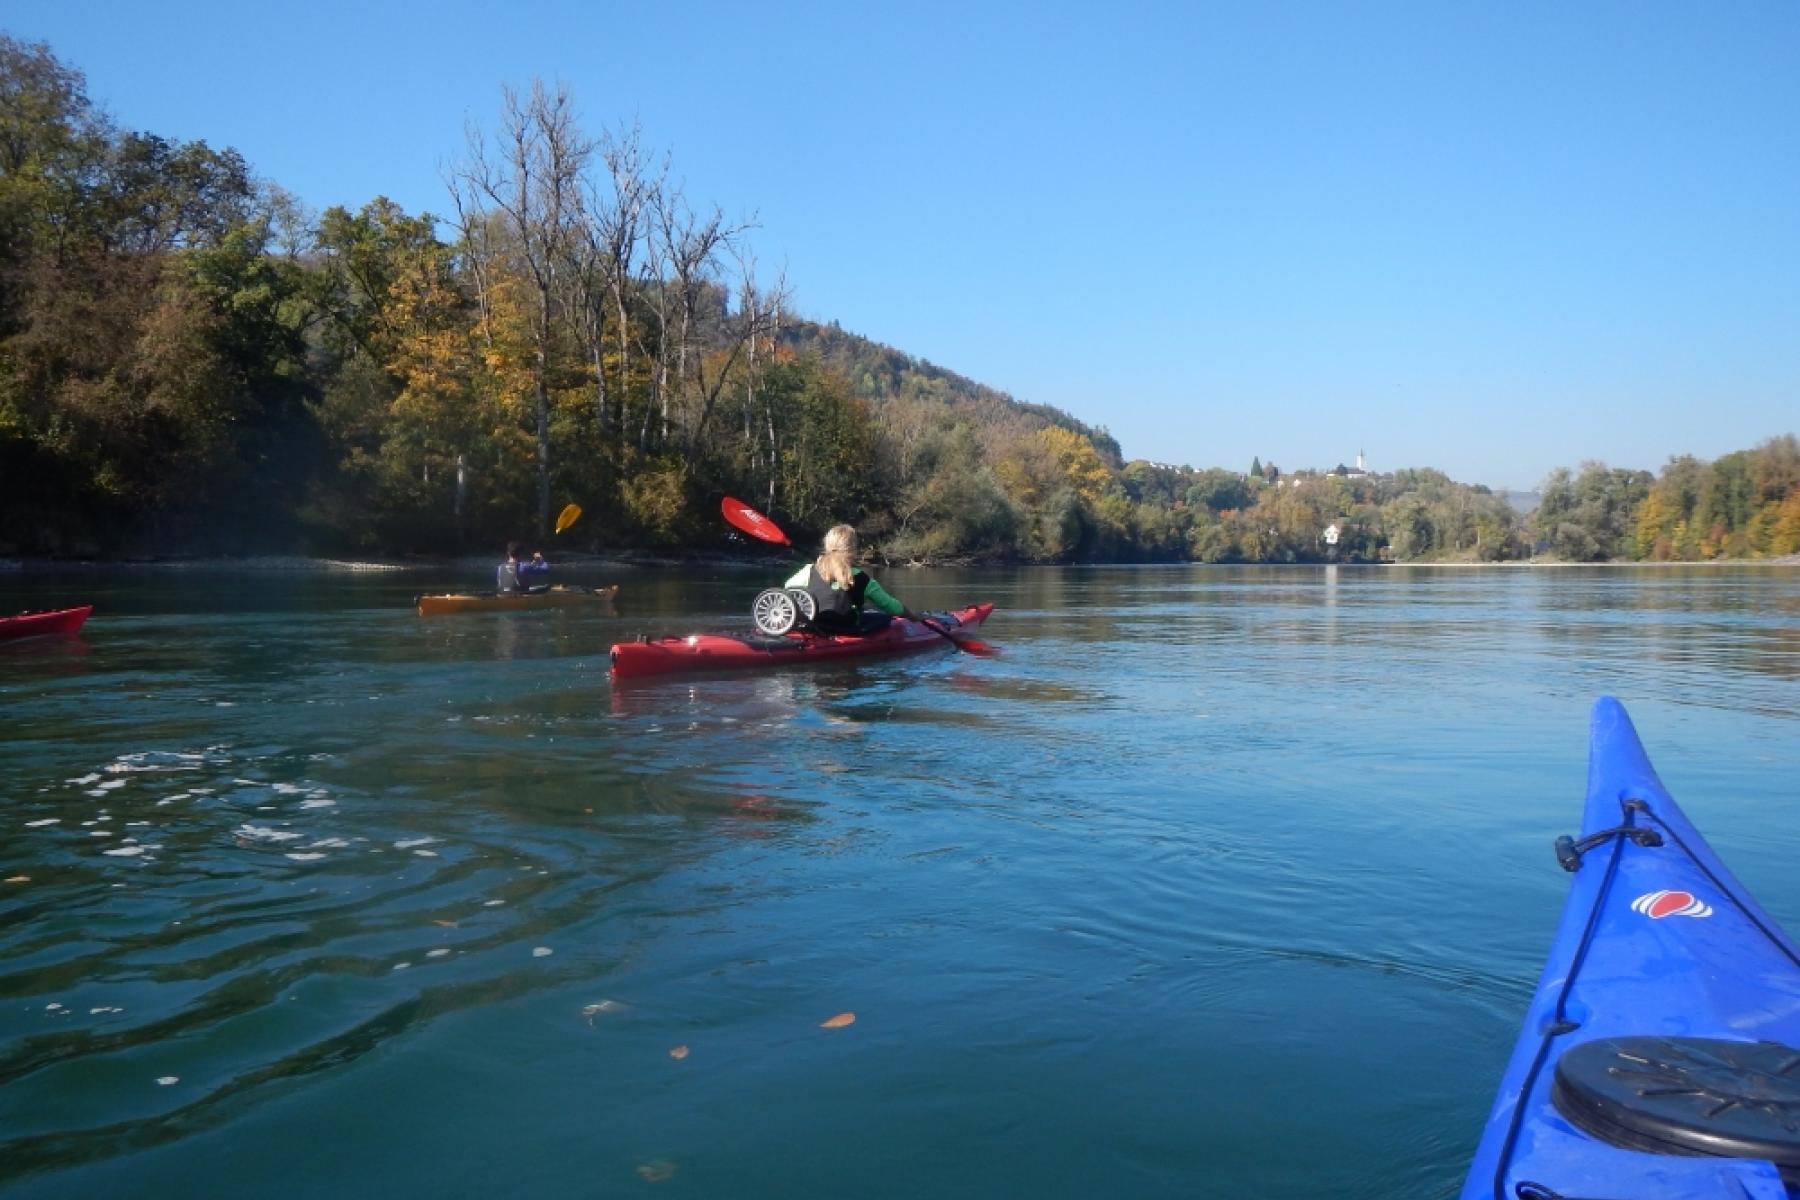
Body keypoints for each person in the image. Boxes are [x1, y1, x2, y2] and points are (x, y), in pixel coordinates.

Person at [783, 524, 920, 633]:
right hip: (846, 628)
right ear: (853, 549)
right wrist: (912, 616)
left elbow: (788, 590)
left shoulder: (809, 570)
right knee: (884, 618)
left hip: (814, 626)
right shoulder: (862, 578)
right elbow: (892, 607)